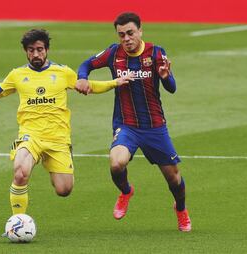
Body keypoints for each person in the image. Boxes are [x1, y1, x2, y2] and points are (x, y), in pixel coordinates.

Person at [0, 29, 133, 219]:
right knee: (20, 172)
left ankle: (51, 162)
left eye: (40, 49)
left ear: (46, 50)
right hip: (30, 136)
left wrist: (115, 82)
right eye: (31, 50)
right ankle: (18, 221)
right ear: (26, 52)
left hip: (58, 139)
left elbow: (90, 86)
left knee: (64, 190)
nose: (36, 54)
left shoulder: (63, 72)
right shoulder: (17, 75)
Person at [75, 12, 191, 231]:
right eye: (121, 35)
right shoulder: (113, 53)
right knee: (116, 163)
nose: (126, 38)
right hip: (126, 125)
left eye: (130, 33)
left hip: (155, 127)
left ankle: (181, 209)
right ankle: (126, 191)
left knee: (174, 180)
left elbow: (172, 88)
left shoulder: (156, 53)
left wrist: (166, 77)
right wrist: (82, 77)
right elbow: (86, 64)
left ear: (140, 31)